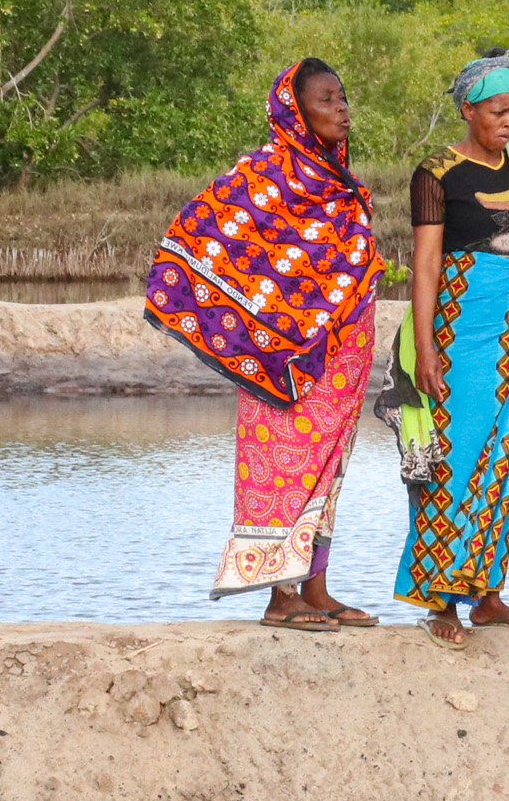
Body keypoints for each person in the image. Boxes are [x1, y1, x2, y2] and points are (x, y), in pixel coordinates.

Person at [146, 58, 385, 630]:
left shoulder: (338, 182)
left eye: (343, 97)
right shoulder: (262, 174)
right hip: (280, 358)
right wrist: (264, 330)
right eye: (327, 100)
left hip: (342, 351)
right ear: (295, 111)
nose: (342, 109)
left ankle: (317, 589)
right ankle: (279, 599)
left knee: (328, 469)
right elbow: (200, 234)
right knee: (283, 467)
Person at [386, 49, 509, 648]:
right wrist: (425, 350)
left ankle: (488, 596)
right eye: (498, 111)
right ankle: (438, 598)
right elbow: (426, 263)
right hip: (463, 329)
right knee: (456, 455)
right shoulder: (437, 171)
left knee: (506, 459)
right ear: (468, 109)